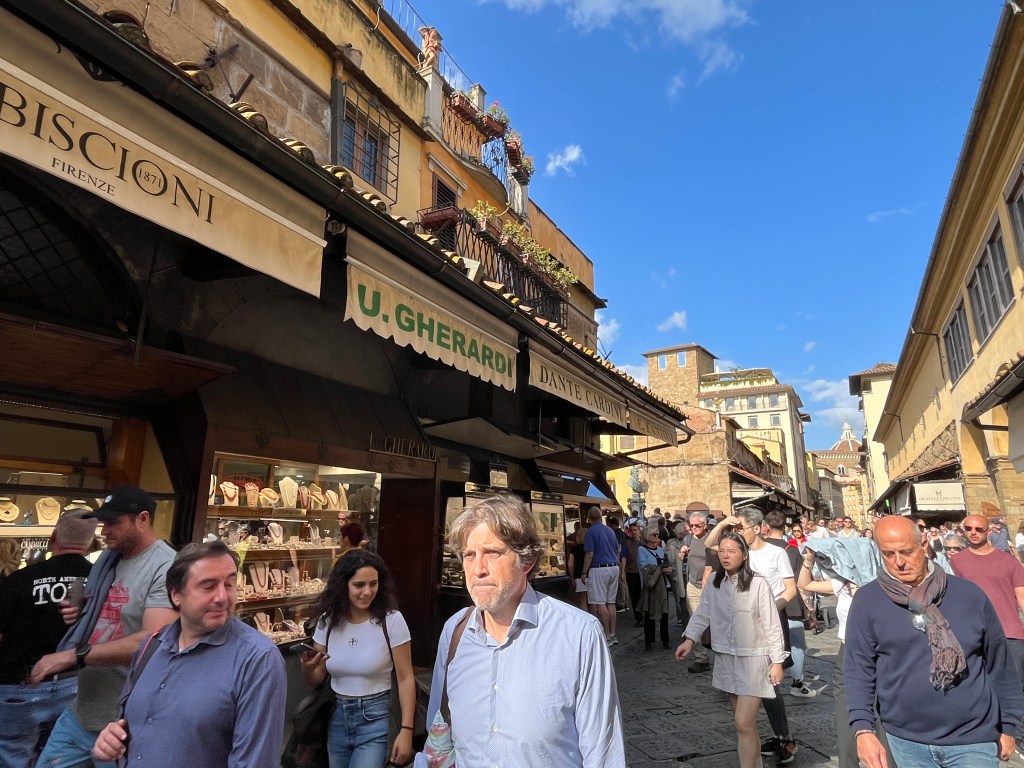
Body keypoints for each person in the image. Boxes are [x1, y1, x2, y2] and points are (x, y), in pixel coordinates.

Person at [426, 495, 625, 767]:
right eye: (469, 556)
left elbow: (603, 755)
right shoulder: (455, 632)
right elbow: (438, 735)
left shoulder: (579, 635)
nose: (478, 570)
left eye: (492, 553)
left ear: (527, 561)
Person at [845, 515, 1024, 767]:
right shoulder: (868, 600)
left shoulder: (969, 595)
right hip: (905, 740)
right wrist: (863, 730)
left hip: (973, 737)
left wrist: (1009, 724)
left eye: (906, 552)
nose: (899, 562)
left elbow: (1000, 664)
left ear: (923, 544)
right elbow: (858, 668)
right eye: (888, 554)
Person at [91, 541, 286, 766]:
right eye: (208, 586)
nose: (222, 597)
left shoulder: (258, 659)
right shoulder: (152, 645)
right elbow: (129, 726)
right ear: (176, 594)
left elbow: (255, 761)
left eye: (229, 584)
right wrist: (110, 740)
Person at [32, 487, 177, 768]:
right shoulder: (109, 558)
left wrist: (73, 656)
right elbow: (103, 605)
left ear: (142, 519)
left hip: (124, 724)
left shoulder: (166, 566)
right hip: (83, 710)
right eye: (103, 522)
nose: (104, 531)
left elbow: (153, 641)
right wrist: (82, 609)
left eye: (113, 522)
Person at [675, 532, 787, 768]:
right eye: (722, 551)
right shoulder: (715, 582)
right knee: (745, 726)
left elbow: (772, 624)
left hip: (754, 660)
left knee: (743, 722)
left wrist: (777, 661)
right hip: (726, 658)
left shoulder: (758, 583)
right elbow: (703, 613)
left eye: (732, 551)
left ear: (744, 555)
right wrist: (689, 639)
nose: (725, 556)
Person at [300, 549, 416, 768]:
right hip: (336, 717)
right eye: (359, 585)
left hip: (376, 717)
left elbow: (405, 677)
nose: (367, 592)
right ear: (343, 585)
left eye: (373, 584)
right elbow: (317, 679)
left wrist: (406, 730)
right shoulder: (327, 622)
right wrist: (308, 670)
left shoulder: (392, 621)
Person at [0, 510, 94, 767]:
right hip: (75, 683)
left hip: (19, 686)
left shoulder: (18, 580)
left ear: (54, 537)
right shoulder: (99, 582)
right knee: (62, 759)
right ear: (90, 544)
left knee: (11, 756)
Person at [706, 510, 798, 765]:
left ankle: (783, 737)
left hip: (770, 620)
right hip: (741, 632)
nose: (737, 531)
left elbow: (791, 589)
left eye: (741, 527)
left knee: (771, 685)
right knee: (745, 708)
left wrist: (769, 608)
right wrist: (724, 523)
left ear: (757, 529)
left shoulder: (776, 553)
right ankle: (755, 750)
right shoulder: (732, 550)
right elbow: (709, 544)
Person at [799, 535, 895, 768]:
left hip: (878, 653)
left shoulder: (881, 585)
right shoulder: (841, 584)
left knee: (882, 712)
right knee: (846, 711)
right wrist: (808, 562)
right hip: (847, 651)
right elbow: (805, 584)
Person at [950, 513, 1024, 755]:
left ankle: (1017, 735)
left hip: (1009, 631)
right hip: (972, 634)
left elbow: (1022, 596)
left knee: (1014, 686)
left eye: (979, 529)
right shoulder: (956, 562)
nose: (973, 533)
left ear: (988, 531)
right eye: (968, 528)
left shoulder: (1008, 561)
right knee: (978, 685)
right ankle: (987, 731)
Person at [762, 511, 814, 698]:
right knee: (797, 644)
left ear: (766, 526)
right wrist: (810, 608)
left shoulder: (760, 548)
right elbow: (802, 583)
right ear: (785, 527)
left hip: (766, 600)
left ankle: (766, 681)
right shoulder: (792, 550)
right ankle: (797, 683)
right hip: (791, 602)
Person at [683, 510, 718, 673]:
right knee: (695, 619)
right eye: (692, 525)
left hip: (710, 586)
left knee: (714, 620)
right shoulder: (688, 538)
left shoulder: (711, 540)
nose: (694, 528)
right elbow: (682, 558)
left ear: (705, 525)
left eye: (697, 525)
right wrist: (682, 553)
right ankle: (701, 658)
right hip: (693, 585)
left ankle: (720, 654)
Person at [581, 506, 621, 646]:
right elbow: (617, 550)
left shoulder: (591, 532)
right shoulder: (610, 530)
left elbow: (589, 554)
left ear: (589, 518)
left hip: (599, 568)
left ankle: (607, 634)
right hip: (614, 566)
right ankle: (613, 633)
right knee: (611, 602)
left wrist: (584, 572)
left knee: (600, 602)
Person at [637, 527, 672, 651]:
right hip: (651, 586)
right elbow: (644, 567)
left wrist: (667, 569)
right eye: (654, 535)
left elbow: (665, 564)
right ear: (647, 536)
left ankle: (665, 640)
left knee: (664, 613)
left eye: (657, 535)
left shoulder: (661, 550)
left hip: (663, 585)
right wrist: (661, 570)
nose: (657, 537)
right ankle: (649, 641)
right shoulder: (642, 550)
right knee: (649, 613)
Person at [664, 520, 690, 628]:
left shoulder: (691, 542)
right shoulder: (671, 544)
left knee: (687, 599)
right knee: (679, 599)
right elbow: (668, 560)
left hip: (688, 576)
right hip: (677, 575)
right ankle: (682, 619)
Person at [623, 519, 643, 627]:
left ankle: (646, 615)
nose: (634, 532)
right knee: (634, 596)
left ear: (639, 531)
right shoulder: (627, 543)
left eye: (635, 530)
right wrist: (623, 571)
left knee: (643, 595)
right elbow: (624, 557)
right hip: (632, 572)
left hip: (643, 572)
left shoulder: (643, 543)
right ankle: (638, 617)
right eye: (632, 530)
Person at [567, 528, 589, 611]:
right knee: (593, 602)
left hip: (579, 576)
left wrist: (572, 577)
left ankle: (586, 617)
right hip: (592, 575)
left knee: (582, 601)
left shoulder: (574, 549)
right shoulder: (590, 549)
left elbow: (570, 565)